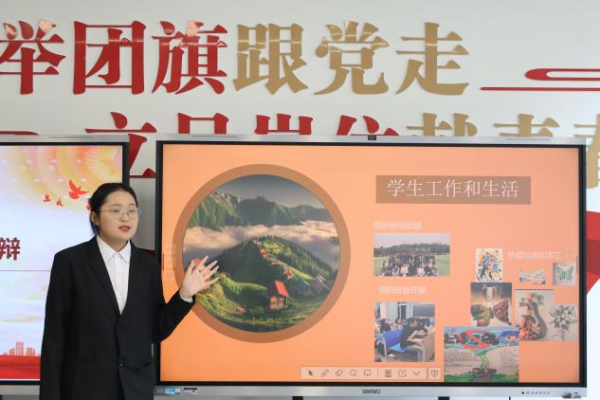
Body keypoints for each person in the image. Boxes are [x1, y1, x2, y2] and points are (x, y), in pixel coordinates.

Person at [40, 183, 219, 400]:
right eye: (116, 210)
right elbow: (54, 338)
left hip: (135, 390)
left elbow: (155, 331)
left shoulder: (148, 265)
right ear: (95, 217)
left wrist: (185, 295)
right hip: (84, 389)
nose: (126, 217)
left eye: (132, 210)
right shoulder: (69, 262)